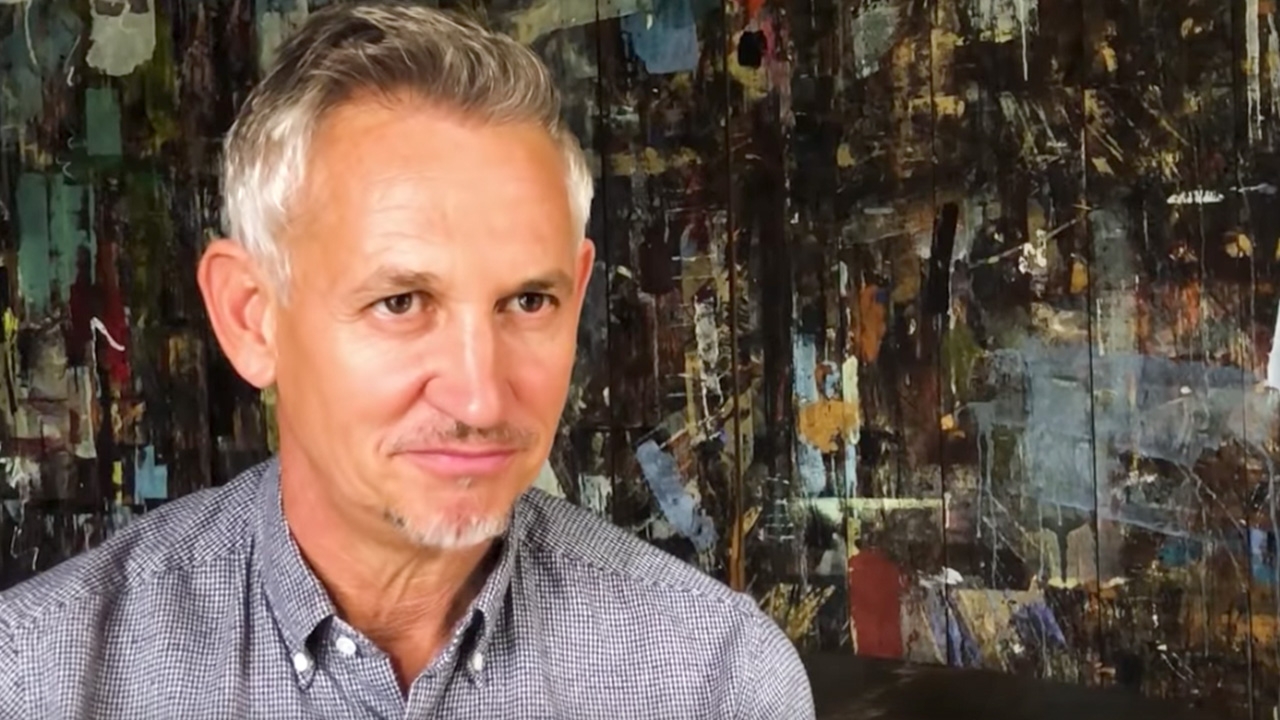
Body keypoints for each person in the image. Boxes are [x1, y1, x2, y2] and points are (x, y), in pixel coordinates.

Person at [0, 2, 815, 718]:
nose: (480, 397)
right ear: (252, 317)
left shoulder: (714, 680)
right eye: (400, 303)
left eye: (529, 301)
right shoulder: (41, 680)